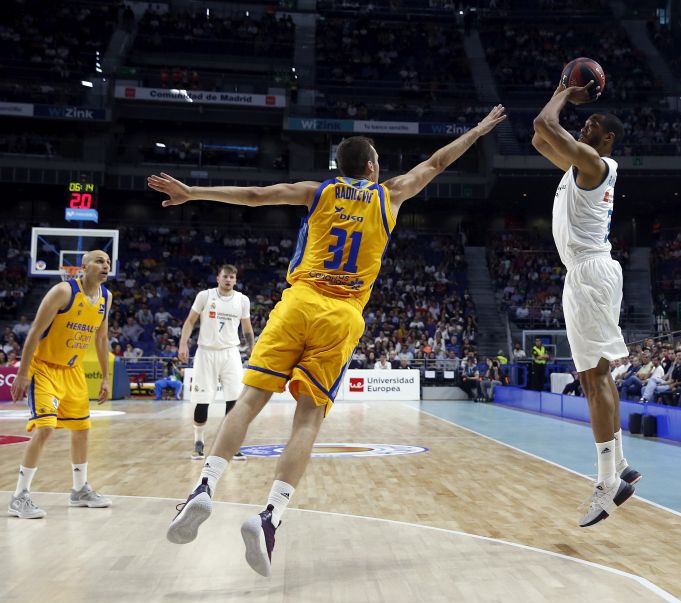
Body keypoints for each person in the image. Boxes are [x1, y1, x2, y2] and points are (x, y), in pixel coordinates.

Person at [149, 105, 506, 575]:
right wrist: (478, 129)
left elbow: (256, 195)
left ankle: (205, 487)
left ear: (341, 168)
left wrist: (193, 191)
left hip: (298, 302)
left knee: (249, 401)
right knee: (307, 421)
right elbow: (437, 163)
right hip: (342, 316)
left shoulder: (318, 193)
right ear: (372, 167)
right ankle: (271, 516)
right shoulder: (390, 195)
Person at [532, 80, 639, 527]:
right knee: (597, 373)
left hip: (590, 272)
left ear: (607, 138)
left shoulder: (595, 163)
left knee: (592, 378)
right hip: (588, 272)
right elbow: (540, 137)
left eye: (591, 123)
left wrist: (562, 89)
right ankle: (621, 463)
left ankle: (607, 481)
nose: (583, 125)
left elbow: (544, 122)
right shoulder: (579, 166)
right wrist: (563, 102)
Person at [8, 251, 113, 518]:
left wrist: (105, 376)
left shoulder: (106, 298)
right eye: (100, 261)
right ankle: (20, 496)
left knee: (82, 430)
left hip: (73, 370)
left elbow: (101, 340)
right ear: (84, 266)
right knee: (45, 428)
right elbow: (34, 330)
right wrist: (22, 373)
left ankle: (79, 490)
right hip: (44, 368)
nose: (105, 265)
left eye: (108, 262)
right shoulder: (63, 291)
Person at [179, 265, 255, 461]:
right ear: (218, 278)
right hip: (206, 352)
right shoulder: (205, 296)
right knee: (202, 401)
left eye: (232, 277)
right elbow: (189, 321)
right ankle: (198, 441)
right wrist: (183, 344)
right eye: (225, 277)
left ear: (235, 280)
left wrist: (252, 349)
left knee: (234, 401)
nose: (228, 280)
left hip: (231, 353)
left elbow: (247, 329)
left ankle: (229, 444)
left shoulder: (242, 300)